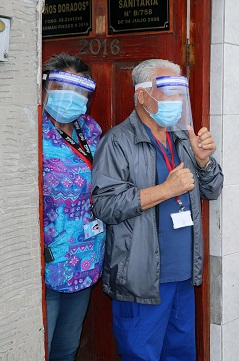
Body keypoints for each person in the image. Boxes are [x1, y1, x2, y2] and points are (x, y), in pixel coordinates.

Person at [91, 59, 223, 360]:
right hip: (141, 279)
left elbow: (212, 189)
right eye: (168, 91)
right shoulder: (118, 141)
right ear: (142, 96)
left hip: (182, 276)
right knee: (142, 355)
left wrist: (204, 162)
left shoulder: (183, 139)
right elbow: (104, 204)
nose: (177, 100)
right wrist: (166, 190)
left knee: (181, 354)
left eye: (180, 92)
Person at [41, 53, 104, 361]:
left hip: (83, 256)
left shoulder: (91, 131)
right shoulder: (32, 132)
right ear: (45, 88)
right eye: (64, 88)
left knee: (66, 347)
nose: (72, 98)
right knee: (41, 346)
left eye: (80, 91)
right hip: (43, 260)